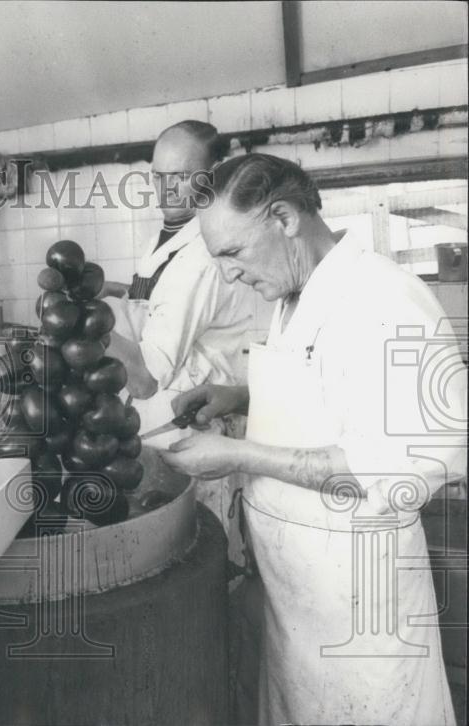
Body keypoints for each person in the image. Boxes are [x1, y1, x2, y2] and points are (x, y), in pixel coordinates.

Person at [162, 153, 465, 725]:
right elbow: (328, 393)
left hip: (357, 597)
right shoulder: (297, 291)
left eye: (232, 252)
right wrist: (239, 395)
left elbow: (386, 465)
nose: (228, 274)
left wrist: (236, 454)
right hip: (298, 591)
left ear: (283, 218)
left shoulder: (384, 302)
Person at [101, 120, 255, 445]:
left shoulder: (202, 254)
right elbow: (160, 298)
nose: (166, 190)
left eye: (181, 177)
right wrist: (116, 289)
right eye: (158, 177)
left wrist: (82, 325)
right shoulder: (168, 233)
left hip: (196, 422)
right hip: (168, 411)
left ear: (212, 174)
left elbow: (145, 379)